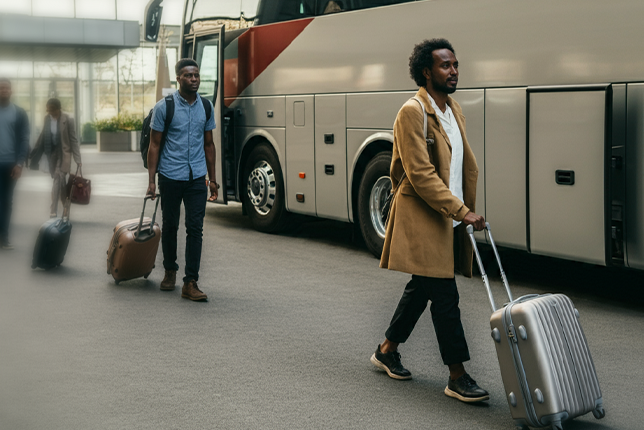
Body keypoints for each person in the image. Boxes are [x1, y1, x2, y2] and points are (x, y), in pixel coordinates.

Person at [372, 39, 489, 403]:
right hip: (425, 216)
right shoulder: (412, 111)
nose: (453, 71)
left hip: (446, 216)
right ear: (427, 71)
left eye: (455, 64)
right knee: (444, 294)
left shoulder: (453, 110)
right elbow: (420, 174)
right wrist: (461, 210)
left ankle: (387, 349)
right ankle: (457, 375)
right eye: (445, 65)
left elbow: (457, 168)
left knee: (423, 287)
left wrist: (459, 210)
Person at [146, 58, 218, 302]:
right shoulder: (164, 107)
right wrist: (152, 181)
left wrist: (213, 179)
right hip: (170, 175)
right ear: (178, 78)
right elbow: (154, 145)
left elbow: (209, 145)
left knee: (195, 229)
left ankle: (191, 281)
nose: (194, 79)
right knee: (171, 225)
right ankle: (169, 270)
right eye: (188, 75)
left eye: (196, 75)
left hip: (197, 176)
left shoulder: (206, 107)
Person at [30, 98, 81, 217]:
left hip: (64, 154)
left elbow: (73, 139)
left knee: (58, 178)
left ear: (58, 109)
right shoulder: (47, 119)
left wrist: (78, 159)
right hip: (51, 154)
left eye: (52, 110)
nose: (50, 112)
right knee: (60, 183)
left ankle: (53, 209)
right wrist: (34, 153)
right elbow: (43, 136)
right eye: (48, 110)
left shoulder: (67, 119)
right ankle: (66, 208)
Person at [0, 78, 30, 250]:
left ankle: (4, 236)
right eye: (1, 88)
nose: (4, 90)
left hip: (10, 165)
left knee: (7, 201)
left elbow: (24, 139)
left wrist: (19, 163)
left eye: (6, 88)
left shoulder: (19, 113)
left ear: (11, 91)